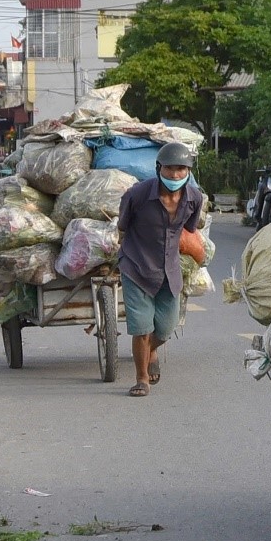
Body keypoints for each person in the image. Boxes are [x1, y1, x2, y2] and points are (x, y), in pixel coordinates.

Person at [116, 141, 204, 397]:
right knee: (142, 328)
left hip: (169, 270)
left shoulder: (194, 198)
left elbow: (189, 230)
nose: (175, 175)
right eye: (169, 169)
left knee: (165, 328)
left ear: (188, 171)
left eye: (181, 169)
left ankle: (151, 350)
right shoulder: (138, 195)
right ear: (158, 169)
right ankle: (141, 378)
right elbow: (123, 226)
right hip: (137, 267)